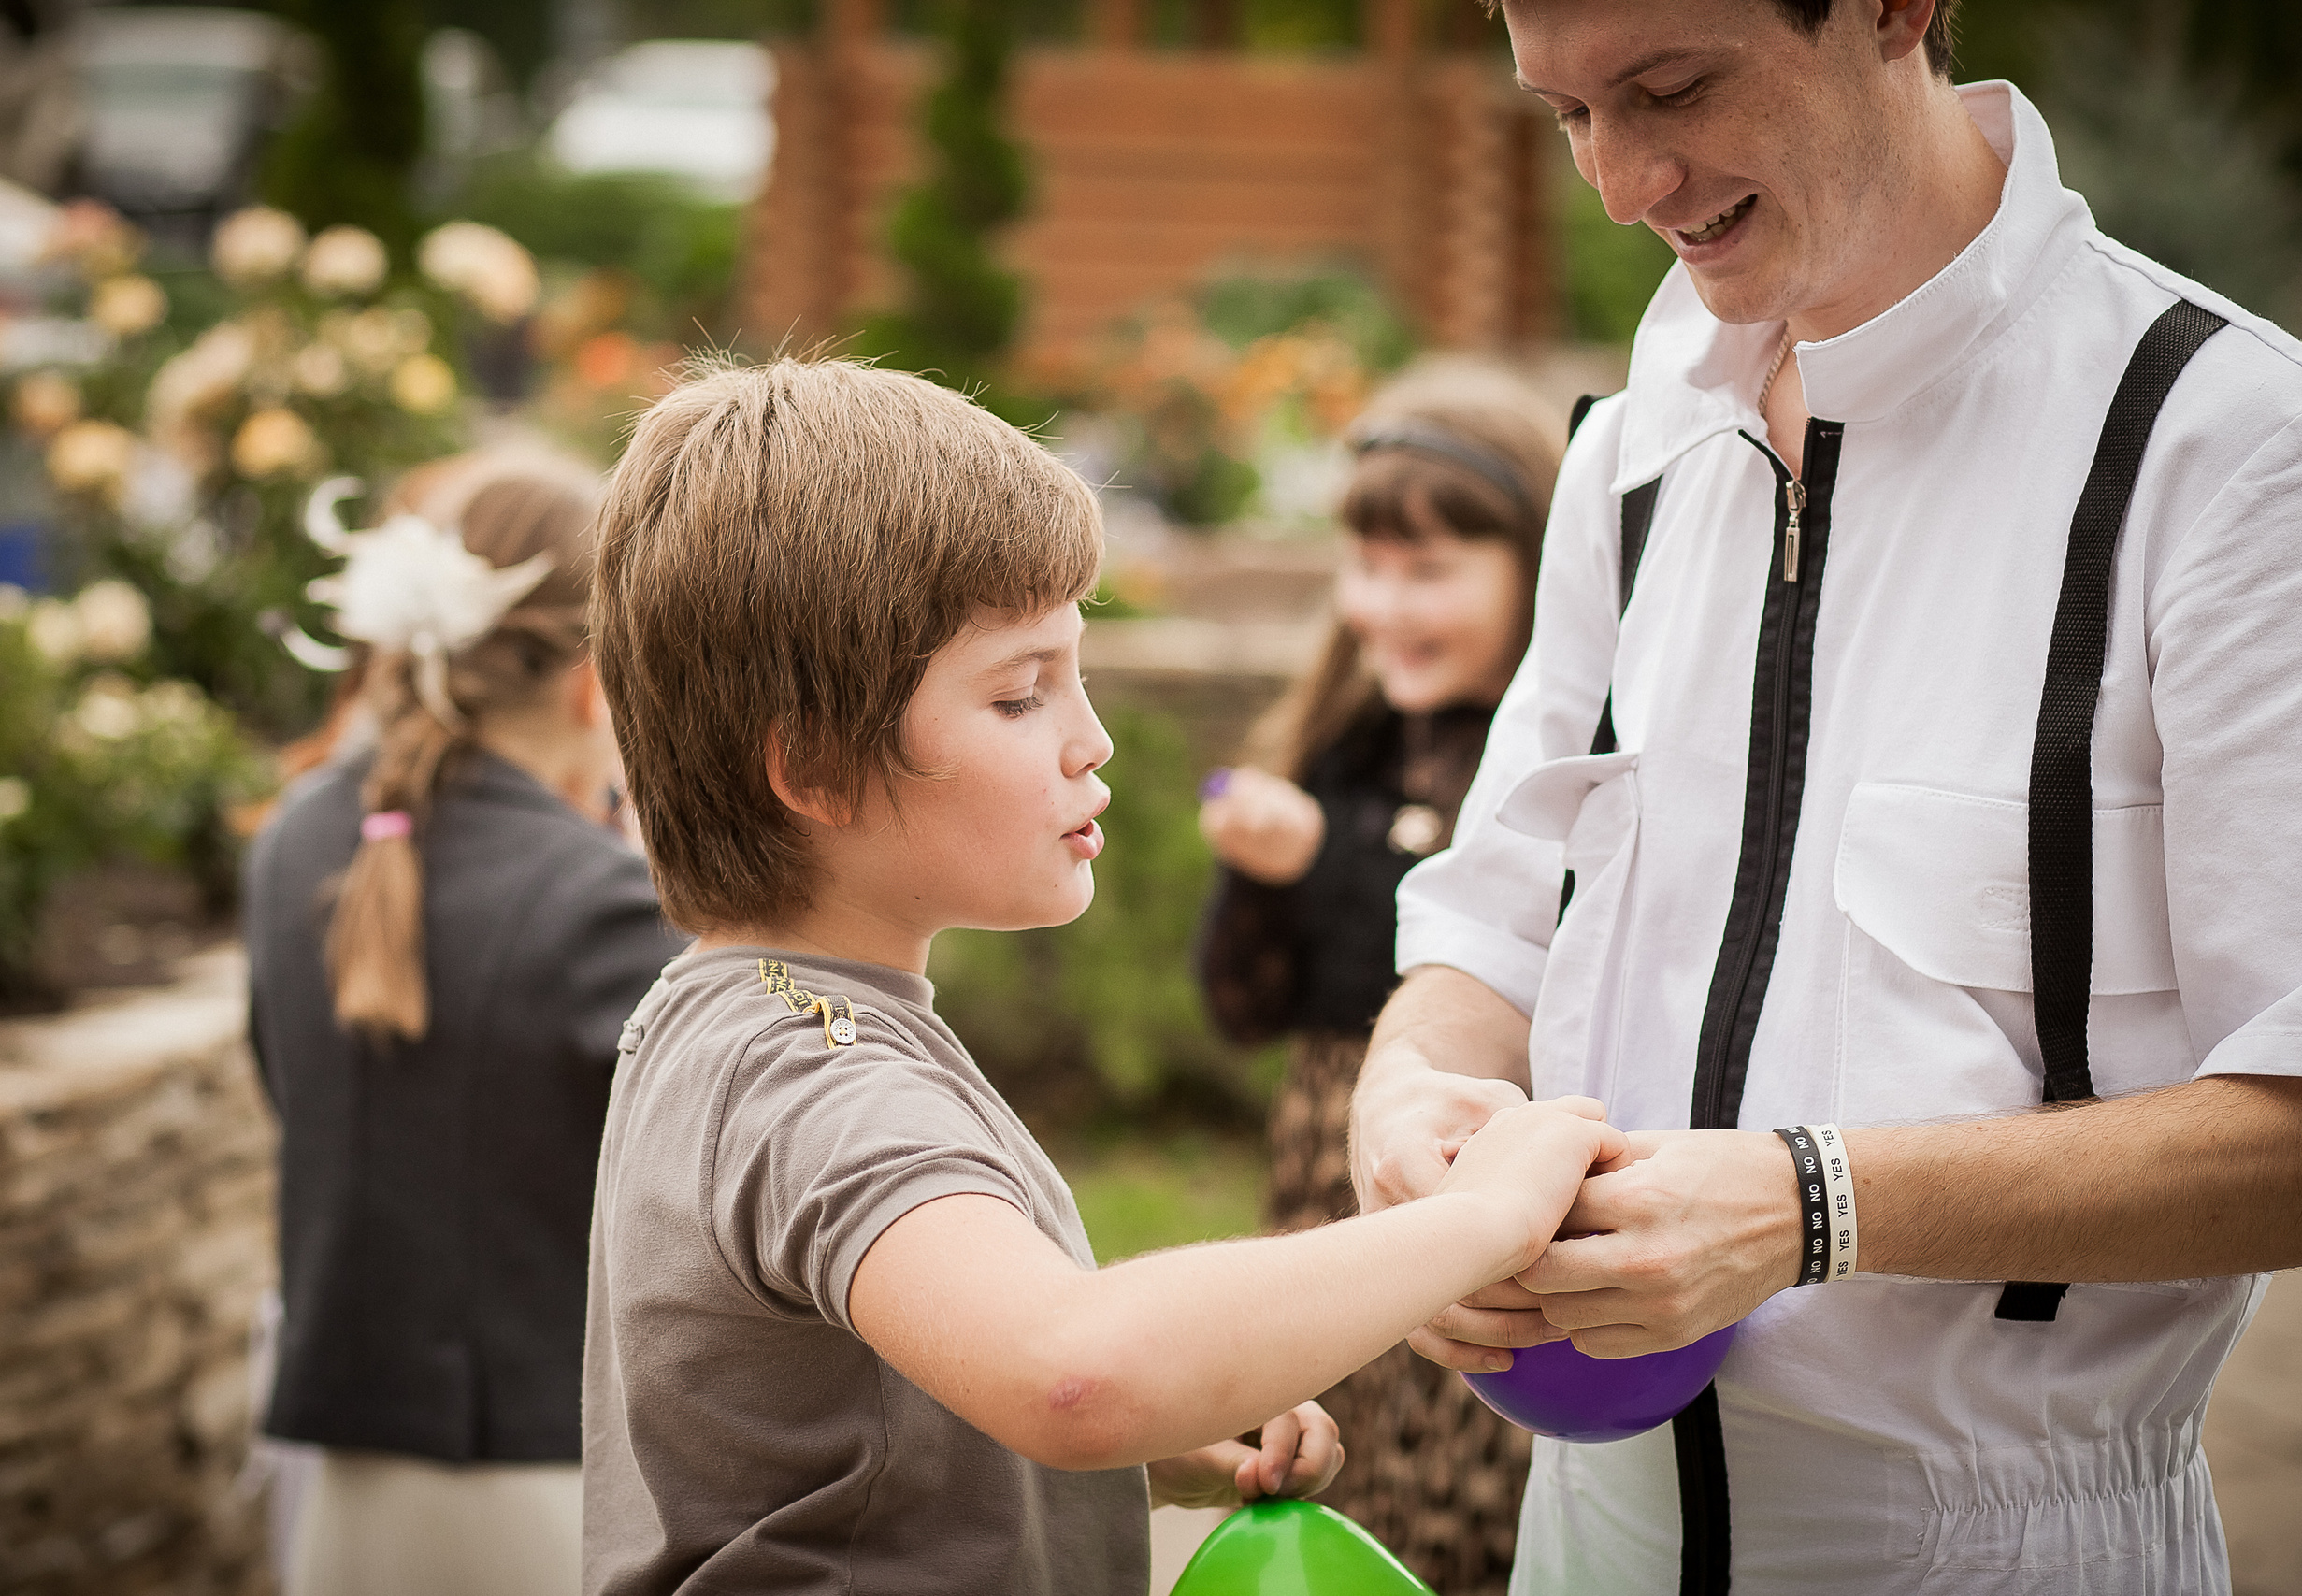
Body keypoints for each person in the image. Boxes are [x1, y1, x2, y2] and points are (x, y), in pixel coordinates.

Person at [1347, 1, 2302, 1592]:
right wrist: (1409, 1097)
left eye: (1672, 86)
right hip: (1577, 1537)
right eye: (1567, 114)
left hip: (2012, 1549)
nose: (1620, 184)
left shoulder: (2249, 456)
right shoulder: (1626, 451)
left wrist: (1814, 1201)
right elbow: (1488, 930)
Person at [578, 356, 1630, 1595]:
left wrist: (1128, 1445)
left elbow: (849, 1413)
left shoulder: (725, 1017)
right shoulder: (811, 1070)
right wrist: (1480, 1220)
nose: (1094, 737)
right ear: (811, 767)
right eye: (1021, 695)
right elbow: (1071, 1371)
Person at [244, 456, 686, 1596]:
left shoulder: (292, 841)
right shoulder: (604, 902)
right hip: (546, 1476)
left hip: (336, 1467)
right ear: (596, 687)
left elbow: (289, 1092)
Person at [1196, 365, 1562, 1595]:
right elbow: (1246, 1004)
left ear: (1538, 569)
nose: (1380, 605)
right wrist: (1259, 878)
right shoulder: (1343, 745)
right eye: (1364, 564)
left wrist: (1326, 864)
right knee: (1338, 1450)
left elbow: (1468, 959)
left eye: (1429, 570)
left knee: (1468, 1480)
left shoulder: (1550, 766)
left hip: (1474, 1160)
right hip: (1329, 1166)